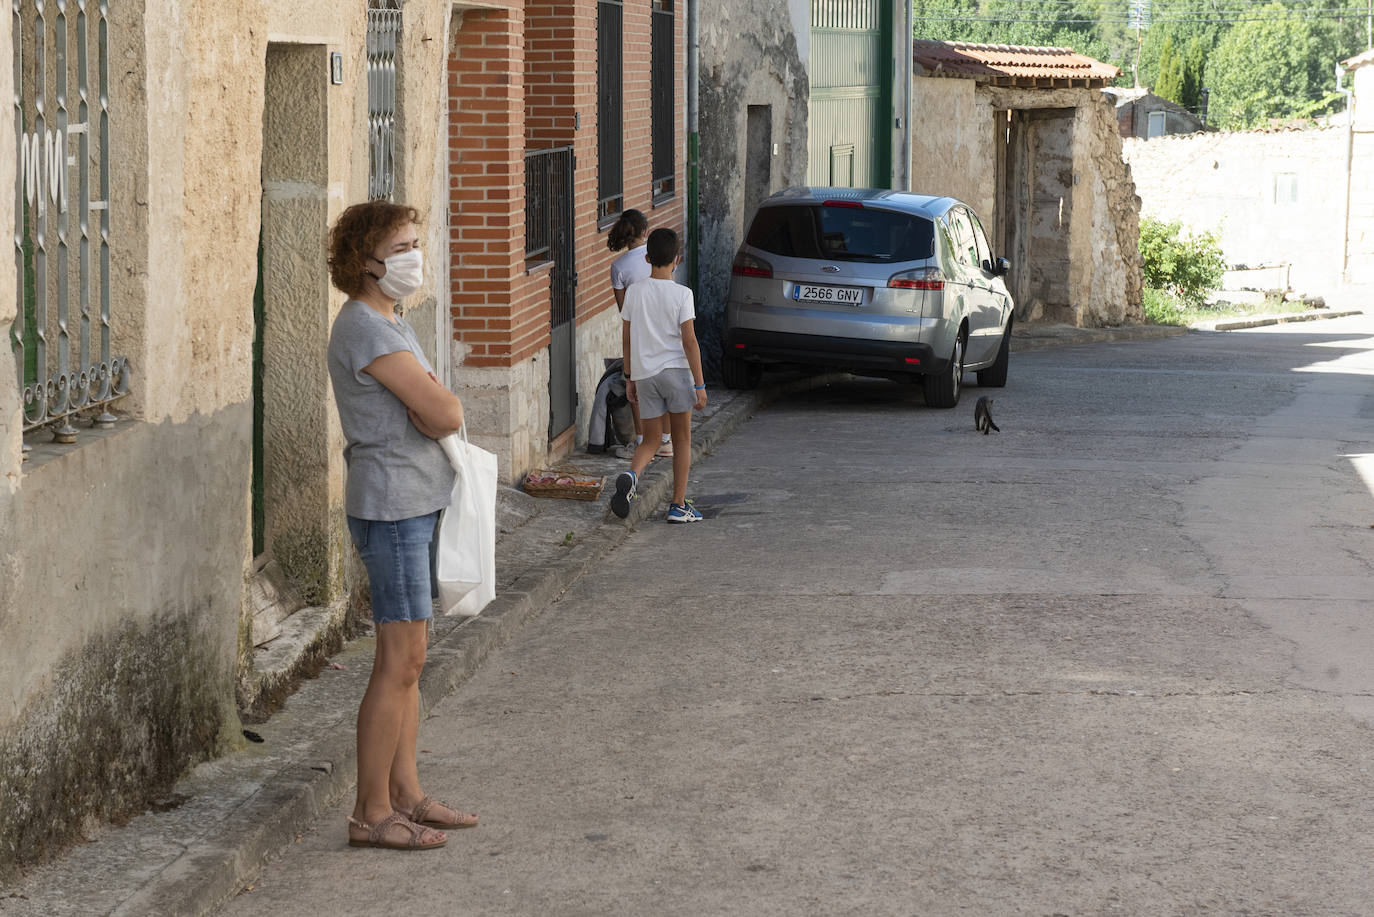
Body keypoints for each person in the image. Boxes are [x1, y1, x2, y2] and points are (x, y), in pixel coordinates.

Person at [326, 200, 479, 851]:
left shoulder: (393, 319)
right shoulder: (365, 327)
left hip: (412, 501)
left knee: (411, 661)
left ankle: (408, 794)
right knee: (399, 659)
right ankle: (370, 810)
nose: (416, 254)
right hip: (389, 507)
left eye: (417, 241)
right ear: (367, 259)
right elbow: (443, 410)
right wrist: (432, 407)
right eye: (404, 244)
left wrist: (431, 406)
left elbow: (436, 405)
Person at [609, 227, 707, 523]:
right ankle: (678, 506)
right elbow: (689, 341)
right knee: (682, 441)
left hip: (645, 375)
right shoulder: (682, 294)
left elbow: (626, 338)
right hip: (676, 374)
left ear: (647, 258)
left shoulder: (635, 292)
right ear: (677, 259)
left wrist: (629, 377)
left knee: (650, 441)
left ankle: (631, 474)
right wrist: (699, 384)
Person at [607, 209, 673, 461]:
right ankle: (666, 441)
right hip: (664, 329)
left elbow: (624, 310)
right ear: (645, 232)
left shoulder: (618, 267)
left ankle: (642, 441)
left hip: (638, 333)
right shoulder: (656, 258)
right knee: (664, 385)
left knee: (635, 388)